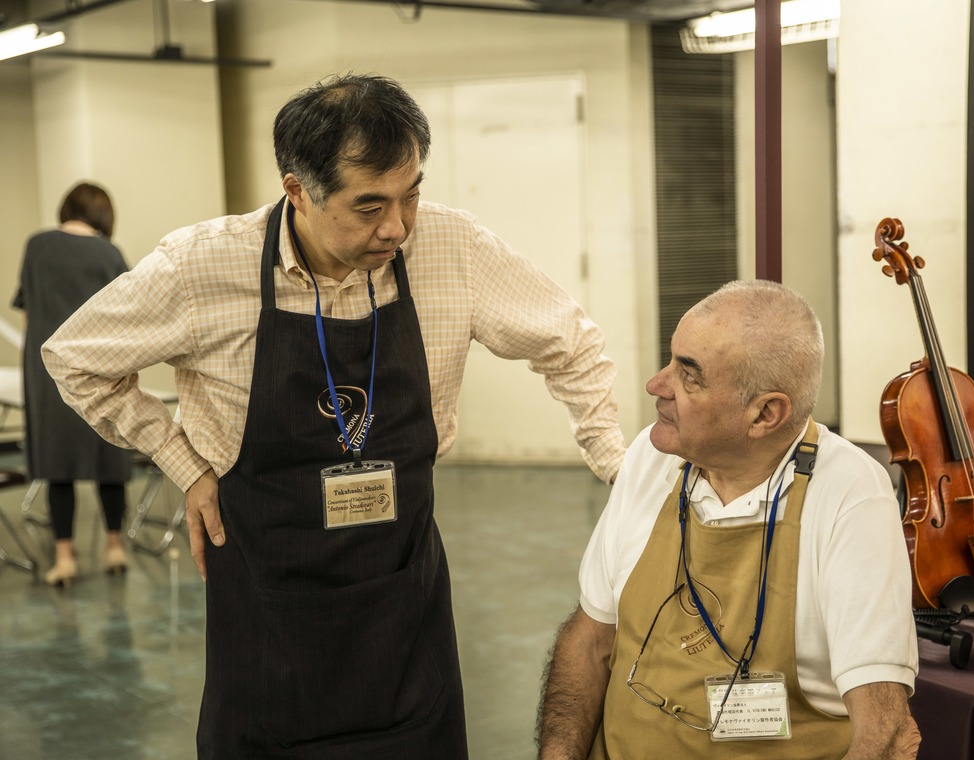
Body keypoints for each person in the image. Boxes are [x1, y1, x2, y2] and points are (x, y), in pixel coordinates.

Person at [42, 74, 624, 758]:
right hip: (266, 592)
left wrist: (619, 467)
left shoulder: (451, 248)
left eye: (411, 195)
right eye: (370, 206)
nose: (398, 227)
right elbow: (75, 357)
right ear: (298, 191)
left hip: (400, 591)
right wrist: (185, 466)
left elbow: (572, 342)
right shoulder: (202, 267)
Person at [536, 280, 920, 760]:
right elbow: (589, 641)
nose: (657, 384)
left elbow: (885, 733)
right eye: (670, 360)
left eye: (688, 376)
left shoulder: (848, 493)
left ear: (764, 414)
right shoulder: (650, 459)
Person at [13, 182, 133, 588]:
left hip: (48, 369)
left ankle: (64, 557)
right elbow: (127, 315)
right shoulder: (109, 252)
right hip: (100, 369)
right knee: (110, 461)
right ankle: (115, 547)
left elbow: (29, 310)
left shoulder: (37, 246)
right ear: (102, 215)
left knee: (57, 465)